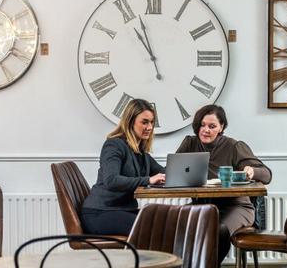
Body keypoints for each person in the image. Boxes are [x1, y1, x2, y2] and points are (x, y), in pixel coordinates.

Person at [176, 104, 272, 263]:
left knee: (219, 230)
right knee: (172, 223)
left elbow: (267, 174)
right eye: (202, 125)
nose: (206, 130)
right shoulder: (189, 143)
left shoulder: (234, 146)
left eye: (212, 126)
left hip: (235, 206)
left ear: (222, 127)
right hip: (201, 206)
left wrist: (252, 171)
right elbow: (173, 171)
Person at [81, 99, 165, 236]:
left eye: (151, 122)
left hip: (122, 210)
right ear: (130, 121)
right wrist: (148, 180)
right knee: (152, 229)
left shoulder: (140, 152)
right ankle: (146, 258)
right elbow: (112, 180)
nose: (149, 127)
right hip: (100, 212)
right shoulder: (114, 145)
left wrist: (184, 170)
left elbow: (162, 171)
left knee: (165, 222)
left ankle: (165, 258)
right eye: (144, 122)